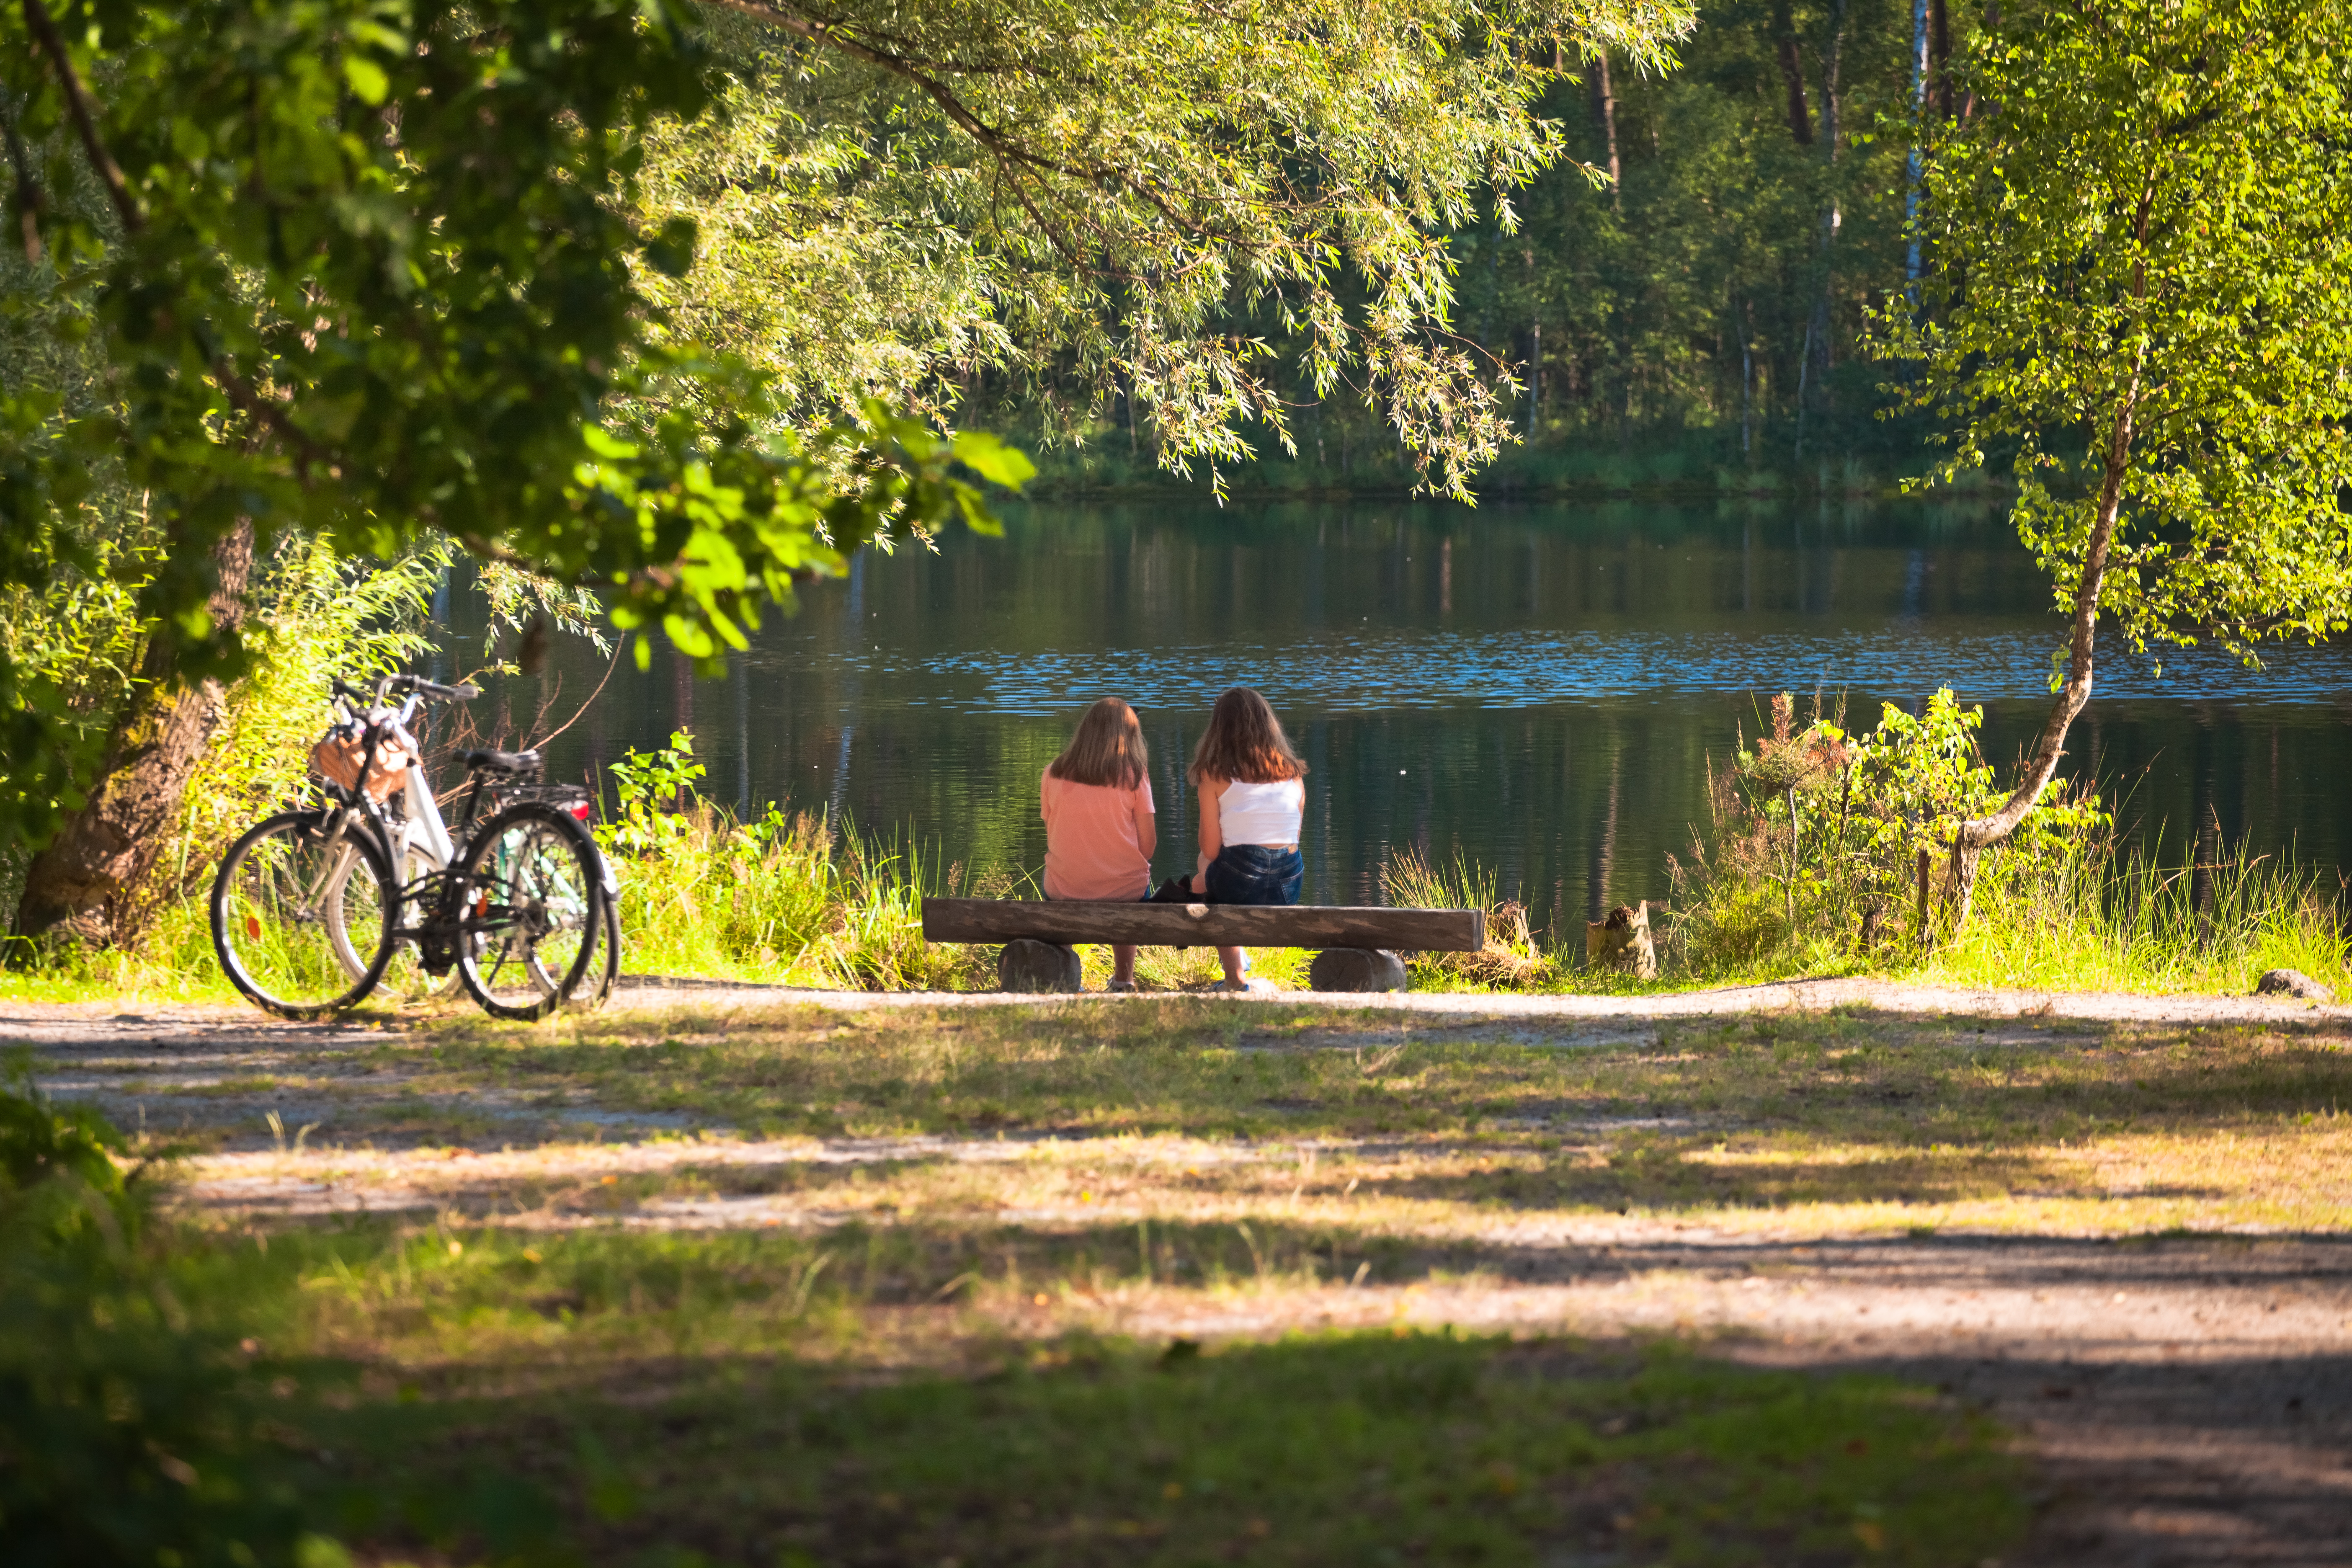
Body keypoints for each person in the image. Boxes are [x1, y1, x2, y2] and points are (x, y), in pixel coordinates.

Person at [1189, 686, 1306, 993]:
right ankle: (1239, 962)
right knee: (1216, 873)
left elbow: (1210, 848)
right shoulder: (1293, 773)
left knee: (1205, 866)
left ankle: (1235, 978)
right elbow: (1292, 839)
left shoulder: (1213, 774)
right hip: (1288, 885)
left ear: (1219, 730)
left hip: (1240, 882)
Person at [1040, 698, 1157, 992]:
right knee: (1128, 880)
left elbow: (1054, 835)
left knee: (1066, 877)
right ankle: (1124, 980)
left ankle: (1064, 975)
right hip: (1124, 891)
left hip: (1065, 888)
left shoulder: (1052, 772)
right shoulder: (1135, 775)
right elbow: (1149, 847)